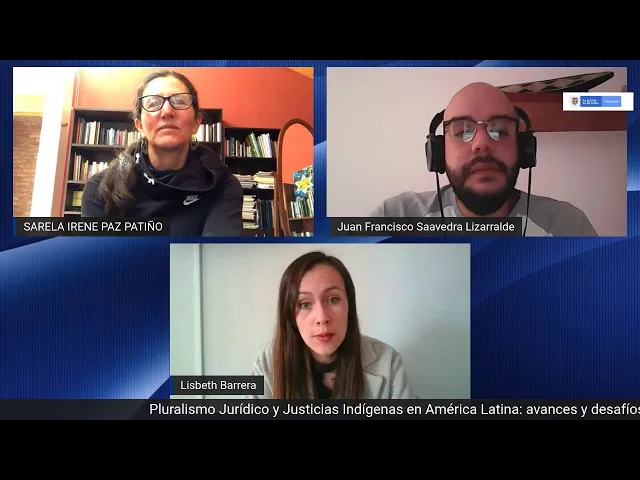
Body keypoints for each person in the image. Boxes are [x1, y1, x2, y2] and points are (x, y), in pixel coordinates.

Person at [371, 82, 598, 237]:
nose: (482, 143)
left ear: (522, 149)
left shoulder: (567, 227)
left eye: (499, 130)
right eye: (462, 131)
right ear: (439, 152)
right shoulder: (394, 217)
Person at [81, 70, 243, 237]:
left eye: (179, 101)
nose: (167, 111)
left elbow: (215, 253)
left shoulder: (223, 186)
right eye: (153, 103)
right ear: (140, 125)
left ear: (196, 122)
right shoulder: (101, 188)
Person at [247, 251, 414, 399]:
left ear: (349, 305)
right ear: (290, 315)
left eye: (333, 299)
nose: (322, 318)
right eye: (305, 304)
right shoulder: (266, 367)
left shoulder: (388, 362)